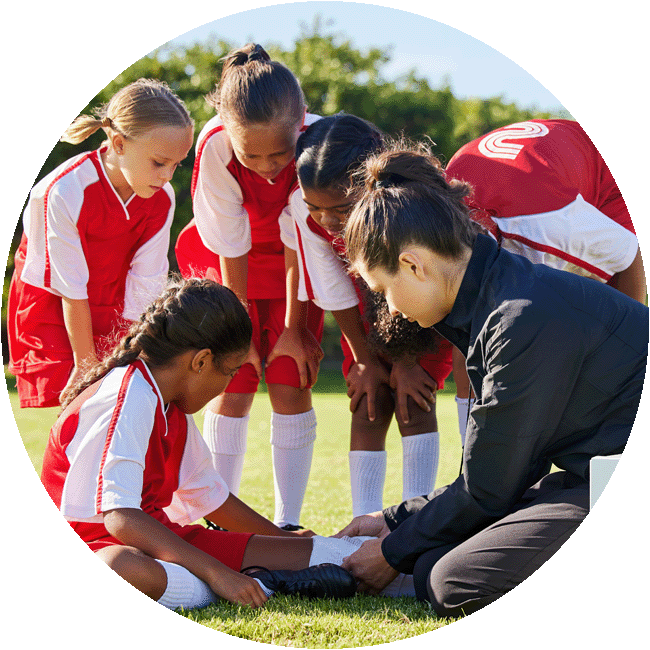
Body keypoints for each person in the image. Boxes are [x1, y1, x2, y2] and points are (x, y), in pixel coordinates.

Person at [335, 141, 648, 617]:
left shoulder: (517, 317)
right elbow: (497, 470)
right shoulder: (493, 299)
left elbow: (488, 490)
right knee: (437, 564)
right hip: (594, 474)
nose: (391, 309)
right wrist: (394, 520)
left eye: (384, 291)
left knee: (452, 580)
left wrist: (391, 552)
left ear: (413, 264)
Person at [40, 277, 416, 609]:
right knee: (120, 569)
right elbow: (120, 519)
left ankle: (423, 573)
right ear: (201, 362)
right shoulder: (130, 394)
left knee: (333, 552)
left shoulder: (167, 403)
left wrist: (284, 537)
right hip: (109, 550)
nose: (230, 383)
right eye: (231, 371)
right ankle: (263, 583)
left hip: (165, 544)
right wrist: (218, 574)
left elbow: (211, 497)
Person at [175, 44, 323, 530]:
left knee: (288, 374)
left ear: (300, 122)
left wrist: (291, 329)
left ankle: (288, 522)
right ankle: (223, 516)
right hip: (226, 260)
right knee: (232, 378)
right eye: (251, 155)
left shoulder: (318, 144)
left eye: (279, 153)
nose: (266, 166)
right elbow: (227, 238)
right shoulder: (215, 143)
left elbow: (299, 238)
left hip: (296, 268)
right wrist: (238, 333)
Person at [290, 114, 452, 516]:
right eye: (314, 207)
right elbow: (334, 289)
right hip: (362, 315)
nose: (327, 220)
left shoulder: (405, 206)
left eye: (340, 208)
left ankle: (415, 518)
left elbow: (412, 285)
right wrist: (364, 359)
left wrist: (407, 362)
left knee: (413, 401)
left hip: (423, 309)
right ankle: (364, 519)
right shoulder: (308, 216)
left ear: (369, 185)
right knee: (368, 400)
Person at [445, 119, 645, 441]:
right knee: (479, 336)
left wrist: (629, 357)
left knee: (592, 341)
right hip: (545, 169)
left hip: (605, 178)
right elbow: (467, 344)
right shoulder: (443, 206)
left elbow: (628, 255)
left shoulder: (540, 227)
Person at [7, 78, 194, 409]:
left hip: (114, 300)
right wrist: (85, 362)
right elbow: (70, 285)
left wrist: (137, 353)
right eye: (159, 162)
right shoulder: (64, 192)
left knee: (121, 399)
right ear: (119, 143)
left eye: (176, 163)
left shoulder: (161, 198)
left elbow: (146, 283)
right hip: (55, 303)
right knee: (75, 405)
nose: (168, 175)